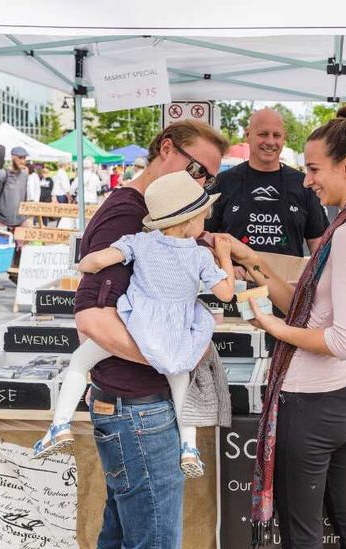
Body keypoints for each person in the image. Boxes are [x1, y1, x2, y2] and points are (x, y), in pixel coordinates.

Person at [223, 106, 346, 547]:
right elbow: (307, 304)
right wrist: (254, 262)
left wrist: (271, 327)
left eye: (315, 169)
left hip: (315, 402)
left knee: (303, 535)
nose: (307, 180)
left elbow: (343, 340)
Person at [73, 120, 228, 547]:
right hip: (139, 409)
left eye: (208, 179)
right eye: (197, 171)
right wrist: (173, 356)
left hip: (135, 406)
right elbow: (91, 319)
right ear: (166, 148)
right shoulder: (128, 214)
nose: (199, 185)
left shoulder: (155, 220)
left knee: (124, 535)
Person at [34, 171, 235, 480]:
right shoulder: (200, 257)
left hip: (137, 330)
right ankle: (189, 447)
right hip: (175, 335)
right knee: (181, 381)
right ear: (190, 222)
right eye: (204, 216)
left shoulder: (139, 242)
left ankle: (59, 426)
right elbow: (226, 293)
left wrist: (82, 265)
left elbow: (97, 261)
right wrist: (225, 258)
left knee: (81, 360)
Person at [206, 108, 329, 257]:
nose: (270, 142)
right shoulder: (223, 182)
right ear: (248, 135)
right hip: (236, 279)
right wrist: (223, 264)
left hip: (287, 280)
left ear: (284, 138)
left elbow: (318, 243)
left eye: (276, 135)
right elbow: (205, 240)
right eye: (263, 134)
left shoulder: (303, 184)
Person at [0, 146, 32, 291]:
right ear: (13, 157)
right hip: (1, 220)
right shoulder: (3, 174)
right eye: (21, 157)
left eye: (25, 158)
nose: (23, 160)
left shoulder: (25, 176)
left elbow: (25, 198)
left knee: (19, 250)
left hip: (19, 220)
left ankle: (14, 275)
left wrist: (26, 217)